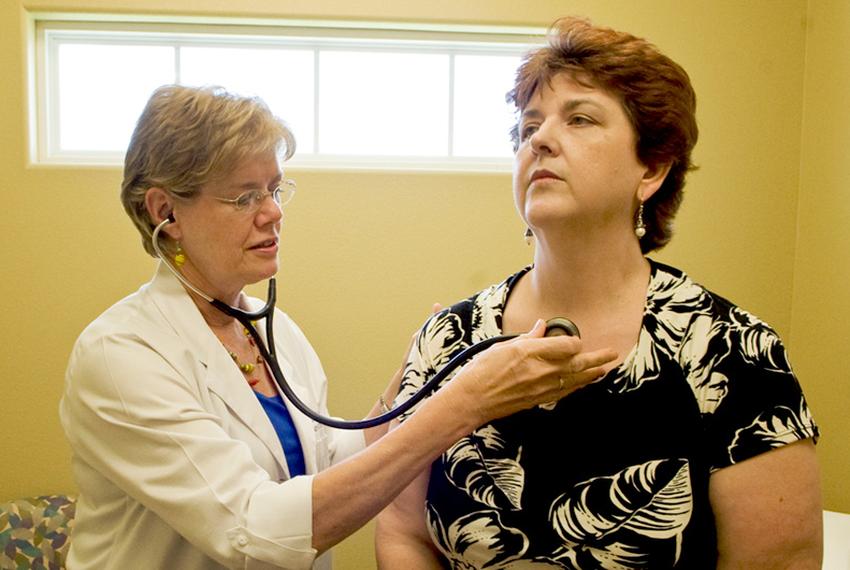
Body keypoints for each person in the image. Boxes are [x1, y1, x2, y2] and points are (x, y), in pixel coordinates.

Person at [58, 85, 619, 570]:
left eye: (275, 189)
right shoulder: (122, 354)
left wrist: (412, 388)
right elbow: (255, 533)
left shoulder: (274, 331)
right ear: (166, 214)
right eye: (244, 195)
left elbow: (331, 469)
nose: (273, 212)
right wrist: (465, 404)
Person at [375, 16, 822, 569]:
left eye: (580, 118)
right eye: (527, 127)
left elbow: (779, 563)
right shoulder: (447, 339)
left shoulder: (730, 351)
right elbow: (402, 531)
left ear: (652, 168)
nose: (539, 139)